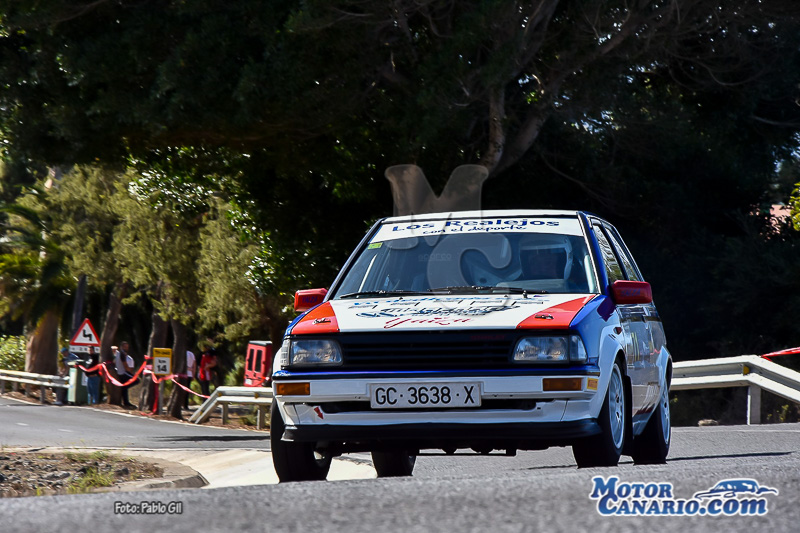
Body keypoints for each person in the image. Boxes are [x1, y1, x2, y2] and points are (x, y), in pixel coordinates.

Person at [113, 341, 137, 407]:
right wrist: (130, 371)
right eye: (124, 347)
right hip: (123, 373)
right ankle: (124, 390)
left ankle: (126, 402)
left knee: (125, 387)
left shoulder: (118, 354)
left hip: (119, 372)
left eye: (127, 347)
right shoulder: (122, 354)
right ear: (121, 347)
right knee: (136, 380)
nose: (126, 348)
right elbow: (125, 366)